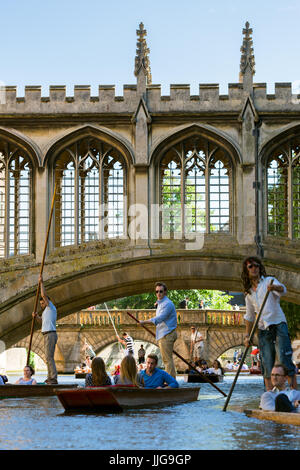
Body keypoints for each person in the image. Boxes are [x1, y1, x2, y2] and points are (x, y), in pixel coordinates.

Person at [242, 256, 297, 391]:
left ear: (260, 268)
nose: (254, 268)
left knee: (284, 358)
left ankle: (295, 395)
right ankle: (269, 397)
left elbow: (283, 290)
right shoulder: (248, 293)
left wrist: (274, 287)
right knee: (267, 363)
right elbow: (249, 316)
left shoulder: (268, 281)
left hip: (278, 323)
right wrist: (247, 335)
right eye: (251, 266)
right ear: (247, 271)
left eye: (257, 266)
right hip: (263, 328)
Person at [140, 282, 177, 378]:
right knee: (167, 359)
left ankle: (171, 381)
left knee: (167, 360)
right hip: (163, 334)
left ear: (165, 292)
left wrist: (144, 322)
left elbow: (159, 318)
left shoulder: (168, 304)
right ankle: (171, 380)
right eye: (157, 291)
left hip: (167, 334)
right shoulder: (160, 303)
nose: (158, 293)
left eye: (161, 291)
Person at [32, 275, 58, 385]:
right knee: (48, 357)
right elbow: (42, 322)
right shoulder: (45, 312)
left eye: (43, 303)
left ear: (47, 302)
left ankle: (53, 378)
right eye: (41, 304)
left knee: (49, 357)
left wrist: (41, 282)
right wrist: (36, 317)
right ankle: (49, 377)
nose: (42, 305)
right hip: (46, 334)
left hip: (50, 334)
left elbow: (43, 294)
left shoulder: (51, 307)